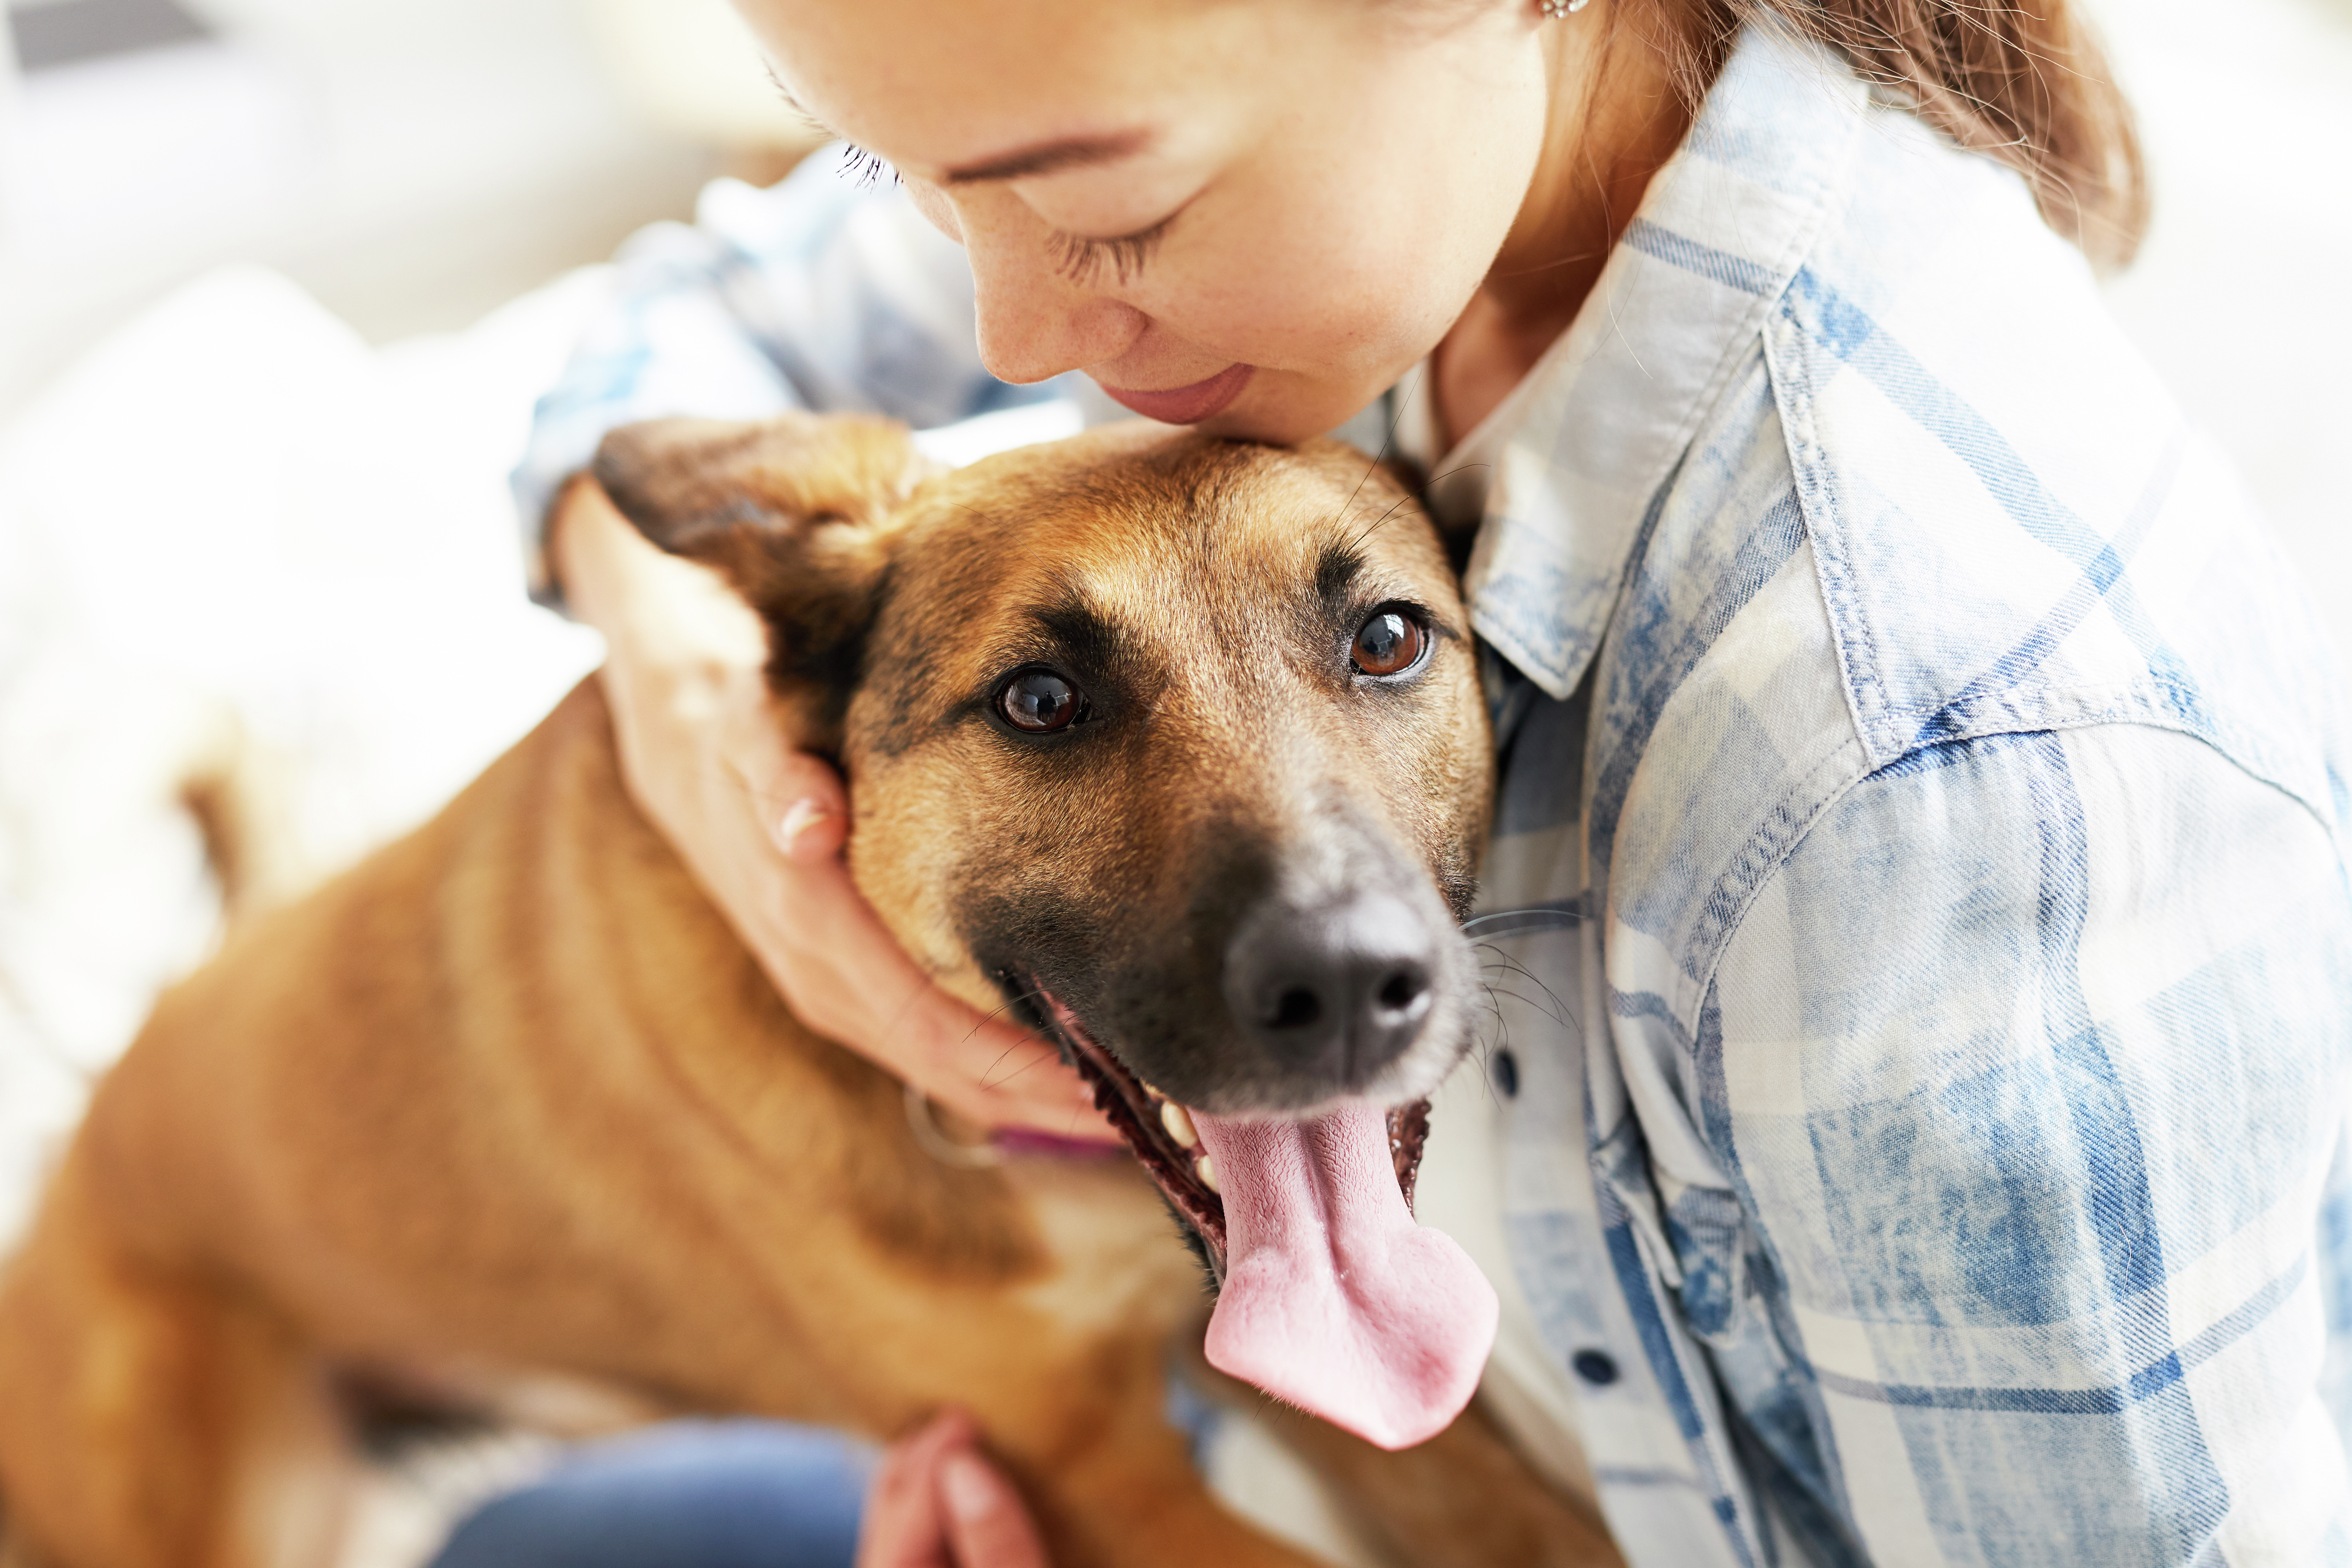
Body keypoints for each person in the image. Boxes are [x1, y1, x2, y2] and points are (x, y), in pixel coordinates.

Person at [471, 0, 2352, 1562]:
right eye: (933, 190)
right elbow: (679, 336)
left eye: (1104, 211)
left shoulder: (1908, 793)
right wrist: (688, 685)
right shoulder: (1264, 126)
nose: (1015, 345)